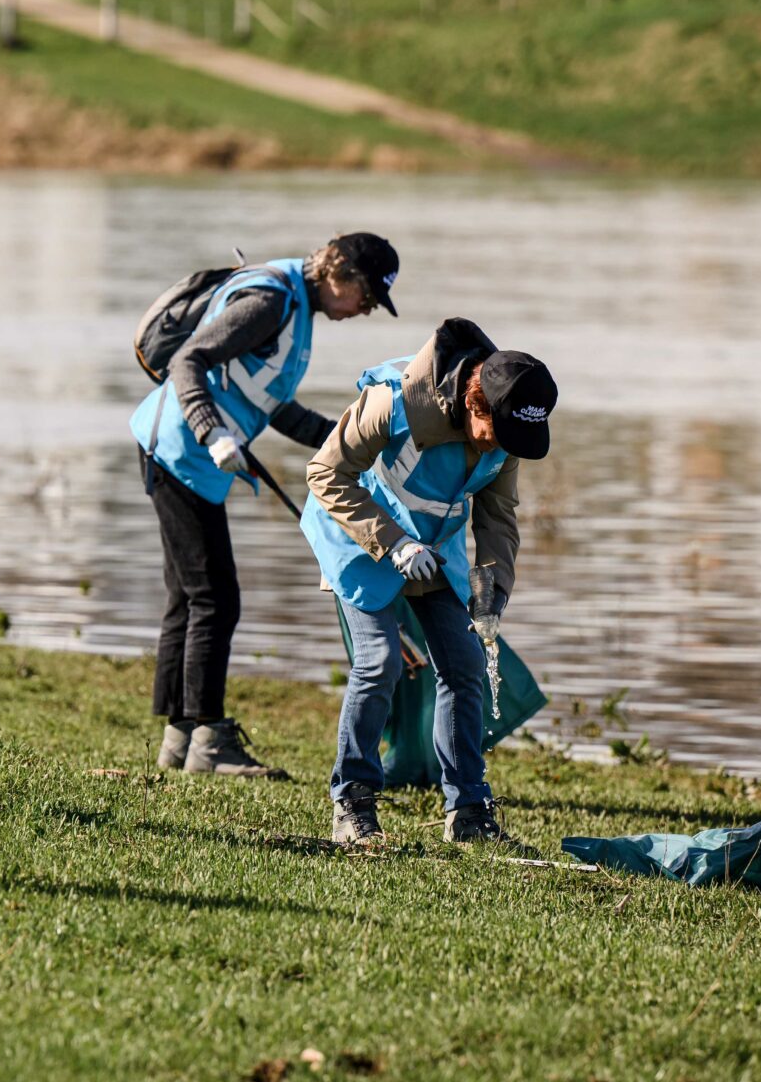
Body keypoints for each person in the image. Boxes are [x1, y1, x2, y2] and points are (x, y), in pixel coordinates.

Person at [129, 233, 401, 778]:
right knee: (214, 599)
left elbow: (275, 407)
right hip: (183, 450)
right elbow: (188, 362)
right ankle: (208, 741)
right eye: (366, 298)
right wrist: (213, 434)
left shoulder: (298, 311)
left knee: (189, 598)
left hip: (190, 458)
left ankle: (180, 741)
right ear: (339, 274)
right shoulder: (273, 300)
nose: (363, 311)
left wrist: (351, 441)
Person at [302, 318, 555, 847]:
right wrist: (391, 542)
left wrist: (492, 590)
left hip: (435, 551)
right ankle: (353, 802)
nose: (501, 449)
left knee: (465, 668)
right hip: (359, 537)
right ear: (474, 403)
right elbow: (325, 474)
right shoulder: (391, 403)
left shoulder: (505, 438)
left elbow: (498, 518)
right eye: (499, 433)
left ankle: (468, 812)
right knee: (379, 662)